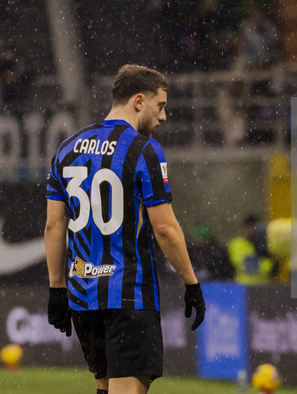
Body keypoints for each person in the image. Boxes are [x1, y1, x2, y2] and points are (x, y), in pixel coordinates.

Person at [44, 64, 206, 394]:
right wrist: (191, 282)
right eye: (160, 106)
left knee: (105, 389)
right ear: (138, 100)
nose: (163, 116)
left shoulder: (67, 149)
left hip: (83, 296)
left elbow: (53, 225)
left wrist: (57, 289)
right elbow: (165, 229)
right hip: (128, 294)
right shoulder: (144, 150)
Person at [228, 214, 273, 285]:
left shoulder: (266, 244)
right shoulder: (235, 244)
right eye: (247, 228)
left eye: (253, 228)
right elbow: (232, 264)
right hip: (241, 286)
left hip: (262, 286)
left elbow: (269, 266)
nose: (250, 231)